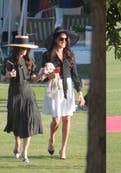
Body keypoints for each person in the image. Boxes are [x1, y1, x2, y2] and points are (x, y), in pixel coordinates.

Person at [41, 26, 85, 160]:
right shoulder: (47, 55)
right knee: (56, 120)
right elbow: (42, 76)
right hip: (54, 88)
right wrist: (49, 76)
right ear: (55, 40)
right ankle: (52, 138)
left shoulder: (69, 55)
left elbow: (75, 74)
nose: (64, 41)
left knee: (67, 118)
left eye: (66, 39)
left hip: (68, 87)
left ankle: (63, 149)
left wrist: (80, 92)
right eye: (61, 39)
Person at [1, 35, 44, 163]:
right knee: (16, 121)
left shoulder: (29, 60)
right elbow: (3, 77)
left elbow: (34, 79)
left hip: (28, 93)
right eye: (23, 48)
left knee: (30, 120)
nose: (25, 50)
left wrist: (42, 75)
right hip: (14, 93)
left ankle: (25, 152)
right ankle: (17, 144)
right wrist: (8, 75)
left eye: (26, 48)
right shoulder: (9, 61)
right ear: (17, 48)